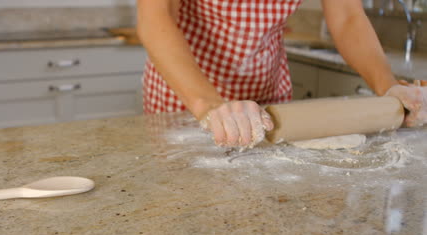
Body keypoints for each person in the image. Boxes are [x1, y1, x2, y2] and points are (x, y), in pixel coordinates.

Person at [137, 0, 427, 148]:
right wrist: (209, 106)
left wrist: (388, 86)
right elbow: (156, 18)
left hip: (268, 92)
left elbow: (348, 16)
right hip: (188, 93)